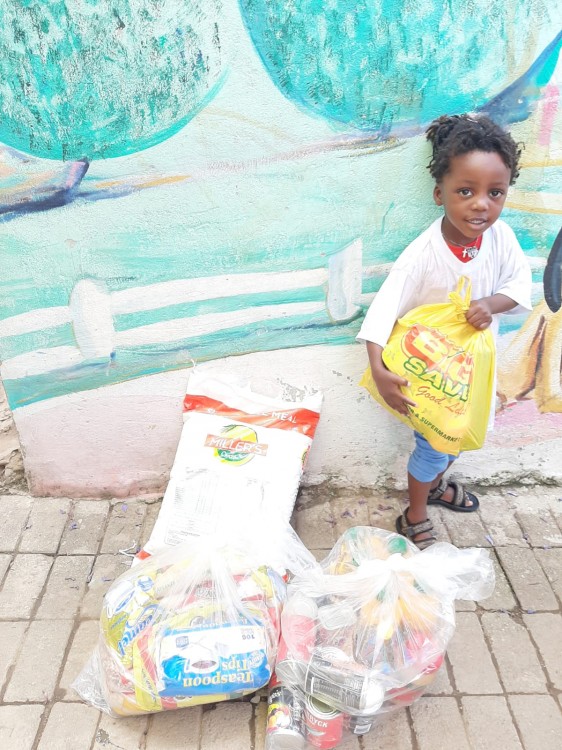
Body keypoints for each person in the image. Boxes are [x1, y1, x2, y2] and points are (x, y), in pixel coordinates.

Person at [357, 114, 532, 549]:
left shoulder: (501, 238)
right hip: (430, 376)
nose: (481, 205)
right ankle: (415, 514)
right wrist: (378, 370)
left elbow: (517, 288)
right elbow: (382, 312)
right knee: (434, 445)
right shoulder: (423, 254)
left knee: (456, 438)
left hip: (471, 374)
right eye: (465, 192)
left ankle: (434, 486)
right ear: (440, 194)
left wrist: (490, 304)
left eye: (495, 193)